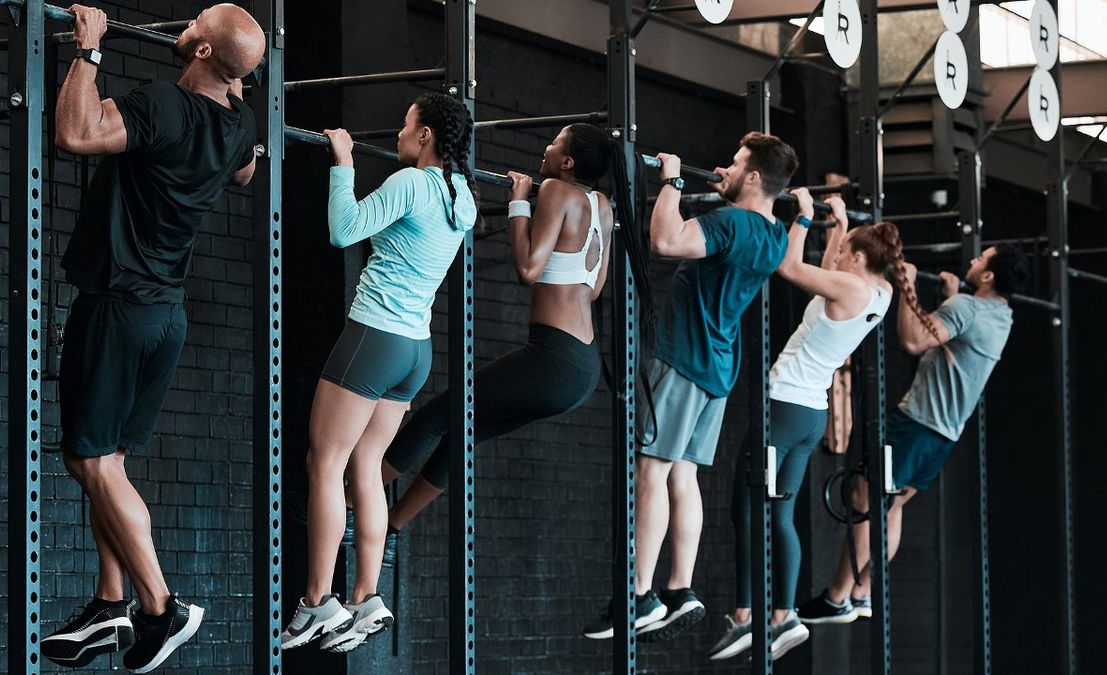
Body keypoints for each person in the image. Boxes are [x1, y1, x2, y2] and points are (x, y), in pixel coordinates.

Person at [41, 5, 263, 672]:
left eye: (197, 20)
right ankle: (110, 601)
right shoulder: (238, 125)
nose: (186, 21)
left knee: (92, 463)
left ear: (199, 50)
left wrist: (90, 50)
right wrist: (234, 80)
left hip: (117, 306)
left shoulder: (161, 107)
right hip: (164, 316)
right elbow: (247, 172)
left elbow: (76, 133)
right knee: (105, 462)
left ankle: (160, 608)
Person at [341, 124, 653, 572]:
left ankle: (351, 508)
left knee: (434, 418)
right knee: (467, 431)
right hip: (579, 369)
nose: (544, 146)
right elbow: (596, 285)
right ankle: (390, 527)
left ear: (566, 162)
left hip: (553, 357)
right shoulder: (602, 206)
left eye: (554, 142)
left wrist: (521, 201)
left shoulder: (555, 193)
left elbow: (528, 268)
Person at [278, 93, 479, 654]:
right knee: (365, 464)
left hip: (374, 337)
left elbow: (345, 230)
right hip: (415, 350)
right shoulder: (461, 195)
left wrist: (342, 162)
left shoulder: (412, 183)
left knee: (325, 463)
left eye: (405, 124)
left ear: (426, 137)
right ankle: (366, 594)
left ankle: (318, 601)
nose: (397, 133)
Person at [583, 132, 796, 642]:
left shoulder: (732, 223)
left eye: (735, 162)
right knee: (683, 476)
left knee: (651, 473)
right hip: (718, 370)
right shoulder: (775, 235)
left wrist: (673, 181)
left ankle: (638, 598)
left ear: (752, 177)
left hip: (683, 359)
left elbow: (665, 240)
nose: (725, 167)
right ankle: (680, 588)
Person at [710, 199, 920, 662]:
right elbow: (827, 277)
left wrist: (803, 217)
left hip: (783, 409)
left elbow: (788, 266)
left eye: (845, 249)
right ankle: (783, 615)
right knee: (778, 516)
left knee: (745, 511)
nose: (839, 254)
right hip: (809, 415)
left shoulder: (849, 286)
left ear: (859, 259)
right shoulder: (878, 293)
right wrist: (839, 228)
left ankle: (746, 618)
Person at [796, 244, 1027, 624]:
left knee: (865, 501)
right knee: (893, 507)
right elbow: (962, 332)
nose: (972, 260)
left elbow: (914, 341)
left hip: (917, 424)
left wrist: (907, 286)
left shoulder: (967, 309)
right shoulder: (1001, 314)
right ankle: (862, 592)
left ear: (987, 276)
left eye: (980, 259)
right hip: (943, 435)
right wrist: (952, 297)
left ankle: (836, 597)